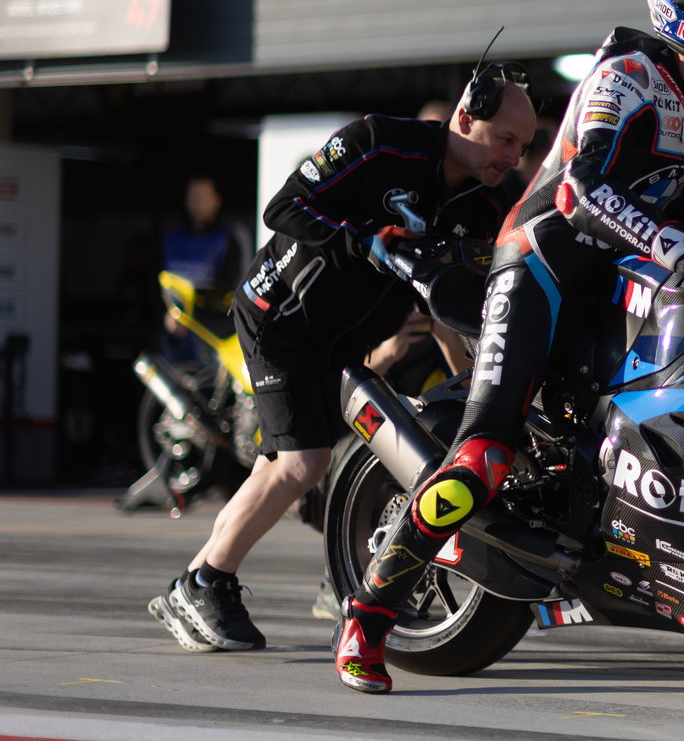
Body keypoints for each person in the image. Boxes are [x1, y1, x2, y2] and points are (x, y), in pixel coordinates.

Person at [333, 0, 684, 694]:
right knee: (483, 458)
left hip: (629, 276)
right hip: (542, 265)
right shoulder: (626, 74)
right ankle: (369, 613)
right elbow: (582, 191)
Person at [147, 74, 536, 654]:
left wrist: (474, 380)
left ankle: (195, 584)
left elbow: (452, 306)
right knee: (304, 463)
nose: (513, 157)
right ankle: (207, 582)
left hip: (338, 342)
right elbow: (284, 207)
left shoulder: (488, 203)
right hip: (277, 314)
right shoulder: (379, 142)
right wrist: (369, 240)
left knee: (280, 469)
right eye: (505, 139)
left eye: (523, 147)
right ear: (464, 118)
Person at [159, 175, 250, 364]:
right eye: (193, 197)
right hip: (176, 332)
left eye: (203, 197)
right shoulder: (172, 238)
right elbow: (160, 282)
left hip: (214, 335)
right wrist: (170, 316)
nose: (198, 203)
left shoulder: (230, 237)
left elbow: (235, 288)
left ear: (216, 200)